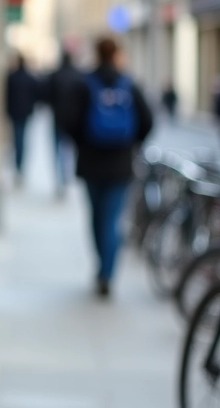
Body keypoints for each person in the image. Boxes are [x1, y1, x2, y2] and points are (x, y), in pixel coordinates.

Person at [61, 36, 153, 297]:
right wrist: (130, 143)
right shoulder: (129, 84)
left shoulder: (84, 83)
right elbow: (147, 120)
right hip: (120, 164)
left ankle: (101, 267)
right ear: (116, 55)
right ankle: (107, 274)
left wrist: (84, 142)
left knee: (96, 218)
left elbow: (68, 122)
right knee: (112, 220)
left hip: (91, 163)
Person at [45, 50, 83, 197]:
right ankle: (66, 176)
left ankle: (61, 180)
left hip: (58, 118)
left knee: (57, 150)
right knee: (69, 149)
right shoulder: (77, 75)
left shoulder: (55, 75)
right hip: (73, 120)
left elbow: (47, 95)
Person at [5, 53, 40, 185]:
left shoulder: (11, 77)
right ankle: (19, 166)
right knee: (22, 140)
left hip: (15, 113)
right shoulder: (29, 78)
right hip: (25, 113)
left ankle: (18, 166)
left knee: (17, 139)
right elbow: (36, 95)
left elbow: (7, 96)